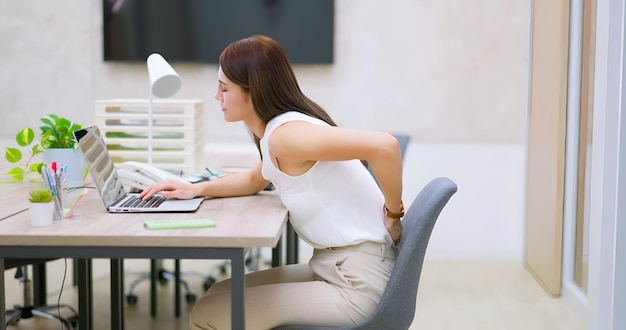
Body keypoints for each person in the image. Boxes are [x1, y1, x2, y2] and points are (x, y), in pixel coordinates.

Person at [138, 35, 404, 330]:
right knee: (217, 294)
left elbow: (385, 146)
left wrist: (393, 216)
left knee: (206, 314)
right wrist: (194, 189)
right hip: (336, 266)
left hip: (356, 282)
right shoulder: (279, 130)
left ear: (253, 91)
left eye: (224, 88)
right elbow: (254, 179)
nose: (217, 96)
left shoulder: (286, 136)